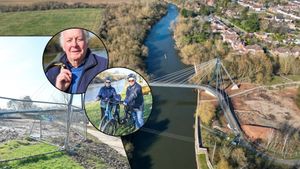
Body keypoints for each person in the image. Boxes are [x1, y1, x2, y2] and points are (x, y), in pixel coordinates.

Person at [45, 28, 108, 94]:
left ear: (87, 43)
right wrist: (59, 89)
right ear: (63, 46)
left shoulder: (104, 65)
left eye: (79, 39)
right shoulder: (51, 72)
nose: (74, 45)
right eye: (69, 40)